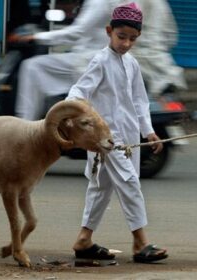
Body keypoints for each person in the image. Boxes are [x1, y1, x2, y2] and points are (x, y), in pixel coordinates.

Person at [66, 2, 168, 263]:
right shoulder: (100, 61)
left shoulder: (132, 63)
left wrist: (149, 132)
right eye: (121, 37)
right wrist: (71, 116)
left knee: (101, 189)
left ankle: (83, 240)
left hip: (130, 137)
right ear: (109, 31)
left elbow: (140, 101)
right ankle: (140, 243)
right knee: (130, 183)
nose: (125, 43)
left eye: (132, 39)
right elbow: (79, 92)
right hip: (106, 140)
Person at [14, 0, 186, 120]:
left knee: (33, 66)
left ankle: (24, 127)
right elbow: (171, 36)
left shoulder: (102, 1)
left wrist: (36, 37)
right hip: (152, 62)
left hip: (91, 58)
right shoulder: (159, 4)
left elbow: (77, 32)